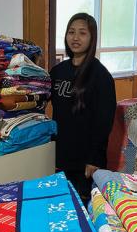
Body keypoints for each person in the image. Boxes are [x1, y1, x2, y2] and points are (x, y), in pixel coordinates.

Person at [49, 12, 116, 203]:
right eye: (71, 32)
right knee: (59, 203)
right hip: (59, 154)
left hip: (85, 161)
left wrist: (95, 158)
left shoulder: (101, 76)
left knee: (83, 210)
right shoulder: (58, 71)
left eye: (82, 33)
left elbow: (104, 122)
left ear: (92, 38)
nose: (75, 38)